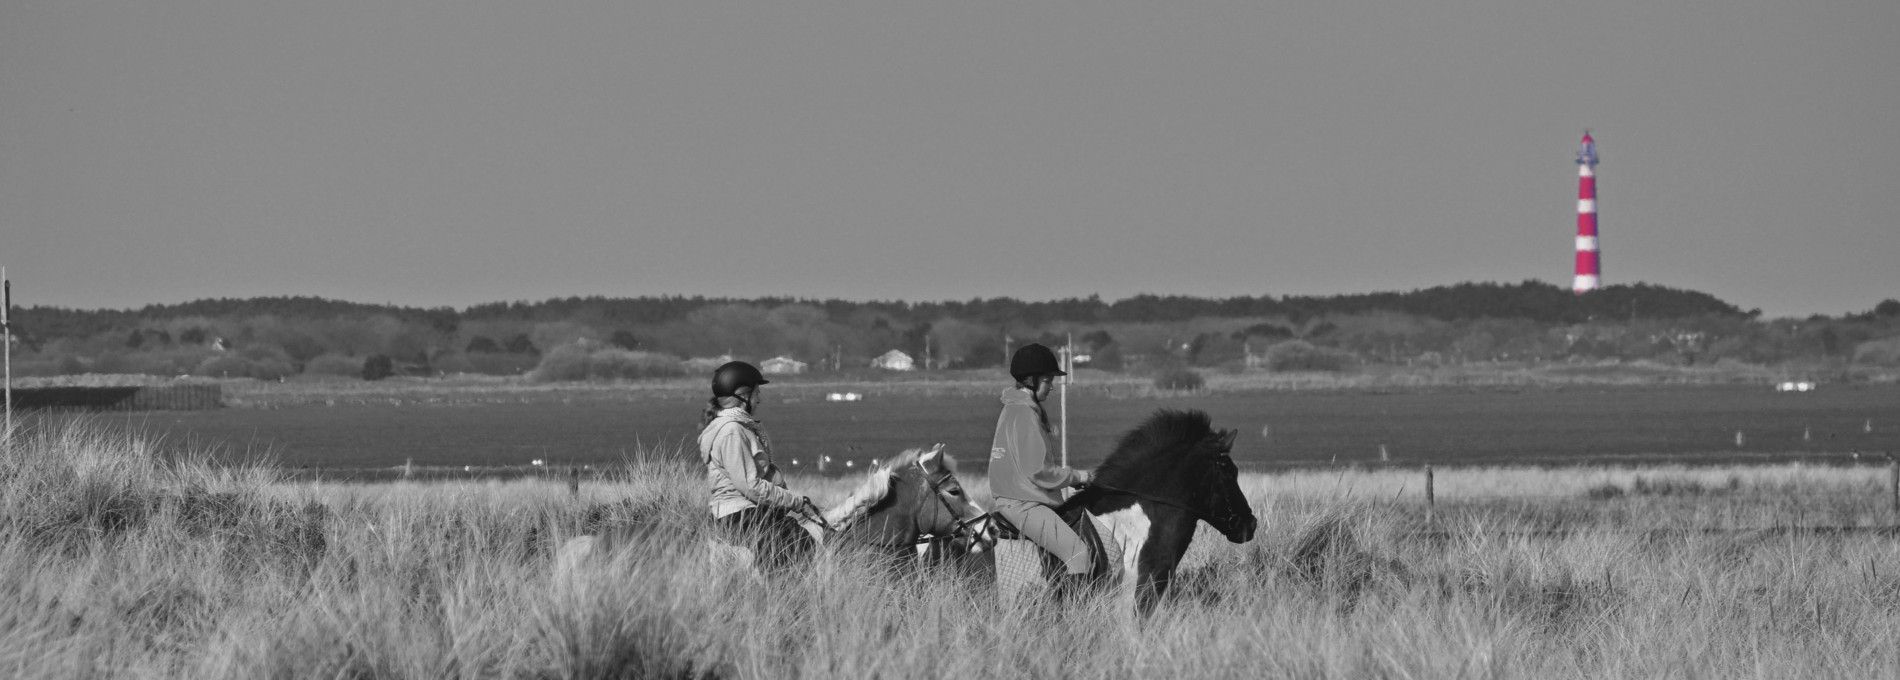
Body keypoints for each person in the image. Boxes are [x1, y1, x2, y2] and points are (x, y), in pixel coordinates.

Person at [987, 343, 1094, 592]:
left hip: (1017, 498)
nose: (1052, 386)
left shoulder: (1013, 408)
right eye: (1047, 380)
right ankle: (1074, 615)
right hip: (1024, 503)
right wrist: (1079, 476)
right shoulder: (1024, 414)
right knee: (1078, 554)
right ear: (1031, 381)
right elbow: (1038, 471)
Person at [700, 360, 820, 573]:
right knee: (793, 547)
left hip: (748, 511)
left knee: (800, 538)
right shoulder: (732, 432)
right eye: (757, 393)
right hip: (739, 514)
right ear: (743, 396)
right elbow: (750, 486)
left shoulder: (739, 428)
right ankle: (780, 597)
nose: (760, 399)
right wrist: (795, 502)